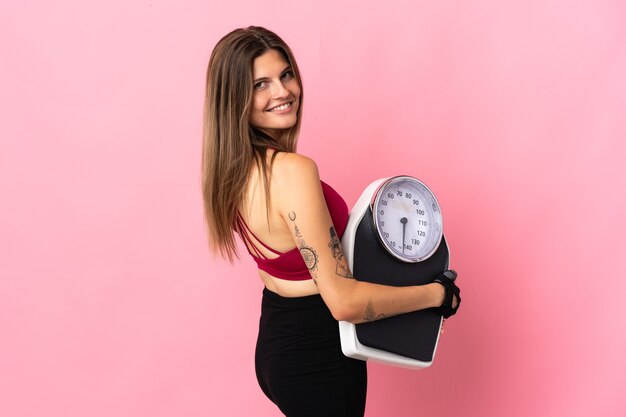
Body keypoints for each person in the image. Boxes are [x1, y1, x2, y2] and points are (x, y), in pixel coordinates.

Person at [201, 26, 461, 417]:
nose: (282, 92)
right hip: (318, 358)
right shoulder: (291, 171)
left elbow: (285, 270)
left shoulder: (234, 171)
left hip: (277, 341)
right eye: (261, 84)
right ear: (234, 99)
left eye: (286, 74)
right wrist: (437, 296)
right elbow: (343, 302)